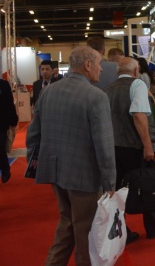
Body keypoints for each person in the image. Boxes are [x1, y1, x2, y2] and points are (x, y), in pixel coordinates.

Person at [26, 45, 116, 266]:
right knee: (86, 230)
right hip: (84, 176)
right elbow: (104, 145)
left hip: (55, 171)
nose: (101, 69)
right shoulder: (96, 97)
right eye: (99, 64)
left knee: (68, 221)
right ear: (88, 65)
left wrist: (36, 163)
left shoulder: (48, 92)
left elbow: (33, 134)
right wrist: (110, 183)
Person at [105, 57, 155, 243]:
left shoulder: (108, 89)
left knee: (117, 190)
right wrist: (148, 146)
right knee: (149, 183)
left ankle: (122, 232)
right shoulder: (137, 85)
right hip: (134, 146)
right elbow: (138, 116)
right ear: (136, 71)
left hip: (113, 147)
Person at [0, 78, 18, 183]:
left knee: (0, 146)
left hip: (1, 123)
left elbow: (9, 103)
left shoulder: (3, 85)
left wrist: (13, 120)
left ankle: (5, 168)